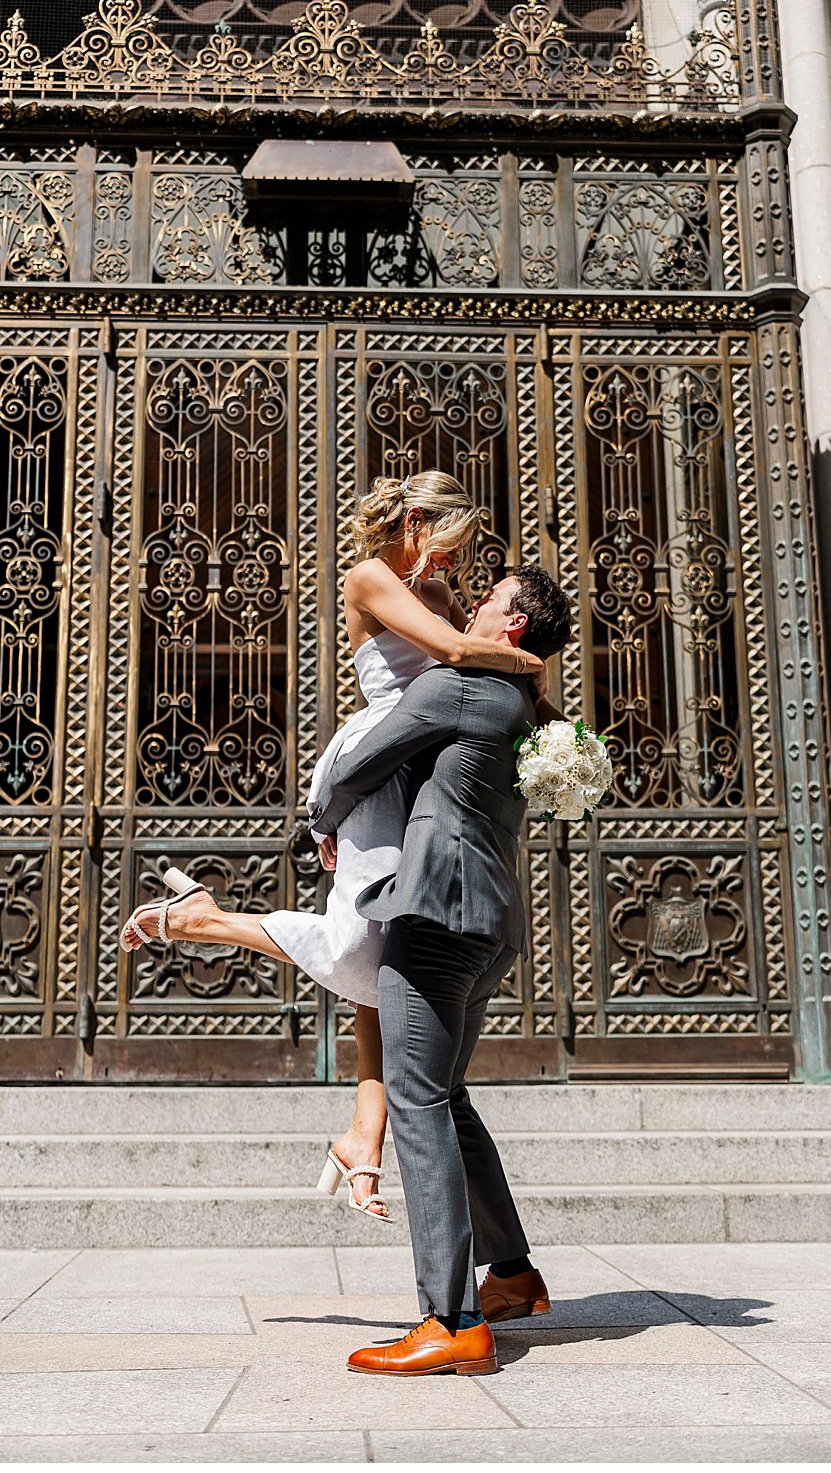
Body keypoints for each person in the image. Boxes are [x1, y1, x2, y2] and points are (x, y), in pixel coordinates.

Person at [119, 471, 547, 1222]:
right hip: (379, 762)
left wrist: (560, 732)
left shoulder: (436, 587)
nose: (452, 568)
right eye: (449, 547)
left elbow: (472, 662)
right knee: (362, 947)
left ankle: (362, 1131)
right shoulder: (371, 577)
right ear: (416, 522)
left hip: (423, 770)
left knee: (392, 953)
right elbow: (454, 650)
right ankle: (200, 917)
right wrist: (533, 664)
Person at [309, 562, 572, 1376]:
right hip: (492, 923)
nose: (471, 608)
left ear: (514, 624)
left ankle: (451, 1317)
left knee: (415, 1097)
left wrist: (318, 819)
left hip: (435, 912)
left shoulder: (461, 687)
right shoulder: (528, 708)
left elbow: (364, 761)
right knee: (447, 1093)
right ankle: (514, 1274)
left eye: (489, 597)